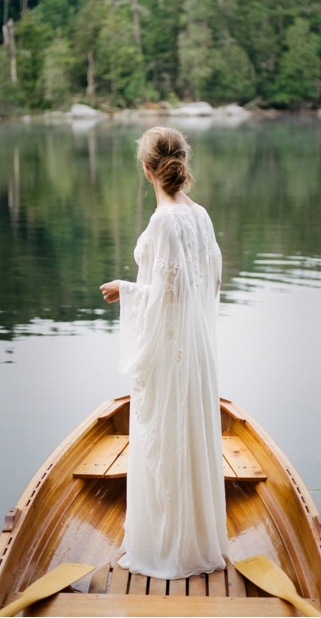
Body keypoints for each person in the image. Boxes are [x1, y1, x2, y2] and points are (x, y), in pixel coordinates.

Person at [99, 126, 228, 579]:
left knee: (164, 440)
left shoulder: (164, 221)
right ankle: (197, 542)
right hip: (195, 352)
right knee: (188, 436)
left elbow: (169, 294)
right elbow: (209, 285)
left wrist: (126, 289)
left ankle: (167, 550)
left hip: (169, 352)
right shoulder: (201, 215)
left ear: (147, 169)